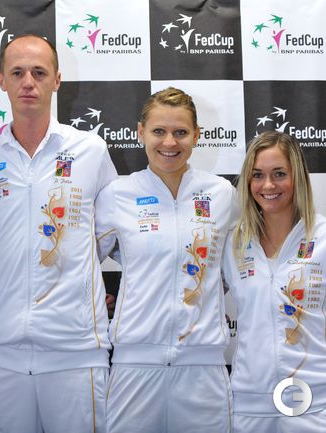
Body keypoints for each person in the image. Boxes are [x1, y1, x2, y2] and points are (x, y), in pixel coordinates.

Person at [0, 34, 117, 433]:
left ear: (57, 80)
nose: (28, 82)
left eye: (39, 72)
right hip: (5, 355)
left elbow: (105, 235)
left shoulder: (91, 151)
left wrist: (74, 279)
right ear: (1, 80)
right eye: (17, 73)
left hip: (76, 352)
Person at [95, 87, 238, 433]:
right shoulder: (117, 195)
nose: (169, 142)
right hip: (135, 366)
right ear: (140, 132)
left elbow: (242, 271)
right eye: (159, 131)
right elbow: (77, 265)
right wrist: (95, 303)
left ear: (197, 135)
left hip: (203, 369)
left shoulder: (222, 195)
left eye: (181, 132)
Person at [224, 131, 326, 432]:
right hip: (249, 403)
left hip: (314, 401)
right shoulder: (234, 243)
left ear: (298, 177)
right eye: (257, 175)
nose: (268, 185)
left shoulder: (322, 238)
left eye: (279, 174)